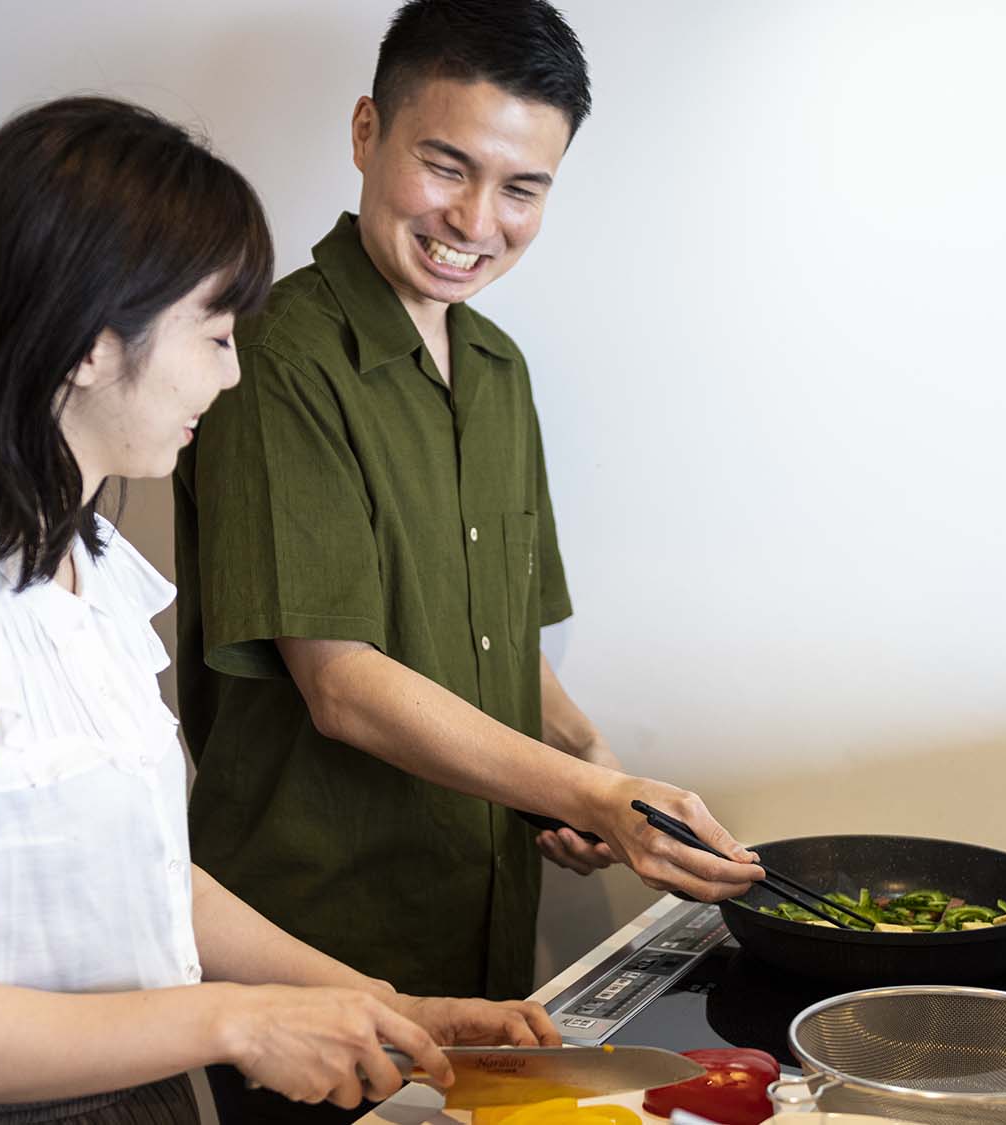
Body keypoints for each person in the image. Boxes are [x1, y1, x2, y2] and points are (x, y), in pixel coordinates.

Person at [0, 96, 555, 1125]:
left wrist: (384, 1008)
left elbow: (151, 883)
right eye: (214, 335)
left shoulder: (87, 573)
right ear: (90, 342)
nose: (227, 375)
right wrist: (232, 1023)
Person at [175, 3, 762, 1119]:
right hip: (315, 961)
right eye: (446, 166)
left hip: (487, 950)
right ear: (365, 134)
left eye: (521, 189)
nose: (475, 220)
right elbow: (339, 683)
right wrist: (598, 788)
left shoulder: (496, 369)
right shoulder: (276, 356)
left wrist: (592, 771)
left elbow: (503, 645)